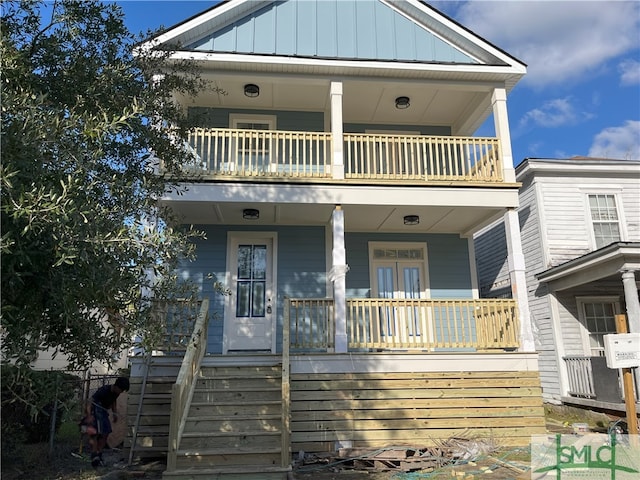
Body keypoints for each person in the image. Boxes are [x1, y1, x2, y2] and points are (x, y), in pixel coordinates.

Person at [84, 376, 129, 468]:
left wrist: (115, 413)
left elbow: (113, 401)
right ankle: (94, 455)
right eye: (121, 390)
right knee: (97, 433)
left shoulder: (116, 393)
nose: (121, 392)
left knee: (106, 432)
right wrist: (88, 416)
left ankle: (99, 453)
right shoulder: (103, 391)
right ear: (116, 387)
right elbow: (90, 402)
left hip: (103, 411)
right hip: (95, 410)